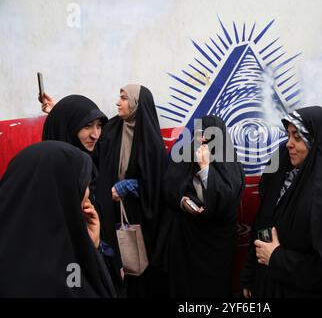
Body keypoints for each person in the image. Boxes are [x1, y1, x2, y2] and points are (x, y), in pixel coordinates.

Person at [241, 107, 322, 298]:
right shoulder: (289, 173)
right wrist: (252, 274)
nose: (289, 144)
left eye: (297, 137)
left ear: (316, 140)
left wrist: (278, 259)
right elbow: (264, 222)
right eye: (288, 136)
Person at [0, 141, 116, 297]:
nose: (87, 192)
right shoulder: (58, 265)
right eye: (85, 185)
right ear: (62, 190)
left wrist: (91, 246)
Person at [39, 93, 125, 294]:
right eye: (87, 126)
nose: (96, 134)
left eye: (99, 125)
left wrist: (115, 262)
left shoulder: (93, 163)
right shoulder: (53, 174)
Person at [157, 115, 245, 297]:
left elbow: (226, 198)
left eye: (209, 135)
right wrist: (183, 202)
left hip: (215, 246)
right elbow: (169, 186)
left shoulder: (230, 162)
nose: (203, 139)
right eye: (199, 134)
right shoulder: (185, 156)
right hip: (186, 244)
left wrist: (205, 167)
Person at [95, 84, 166, 297]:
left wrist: (132, 186)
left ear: (136, 104)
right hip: (112, 212)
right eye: (119, 97)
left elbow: (158, 185)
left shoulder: (150, 140)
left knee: (140, 272)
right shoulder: (112, 130)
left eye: (124, 98)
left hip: (140, 218)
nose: (118, 102)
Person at [41, 94, 108, 153]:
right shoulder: (49, 164)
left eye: (99, 126)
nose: (96, 136)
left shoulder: (99, 161)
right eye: (88, 126)